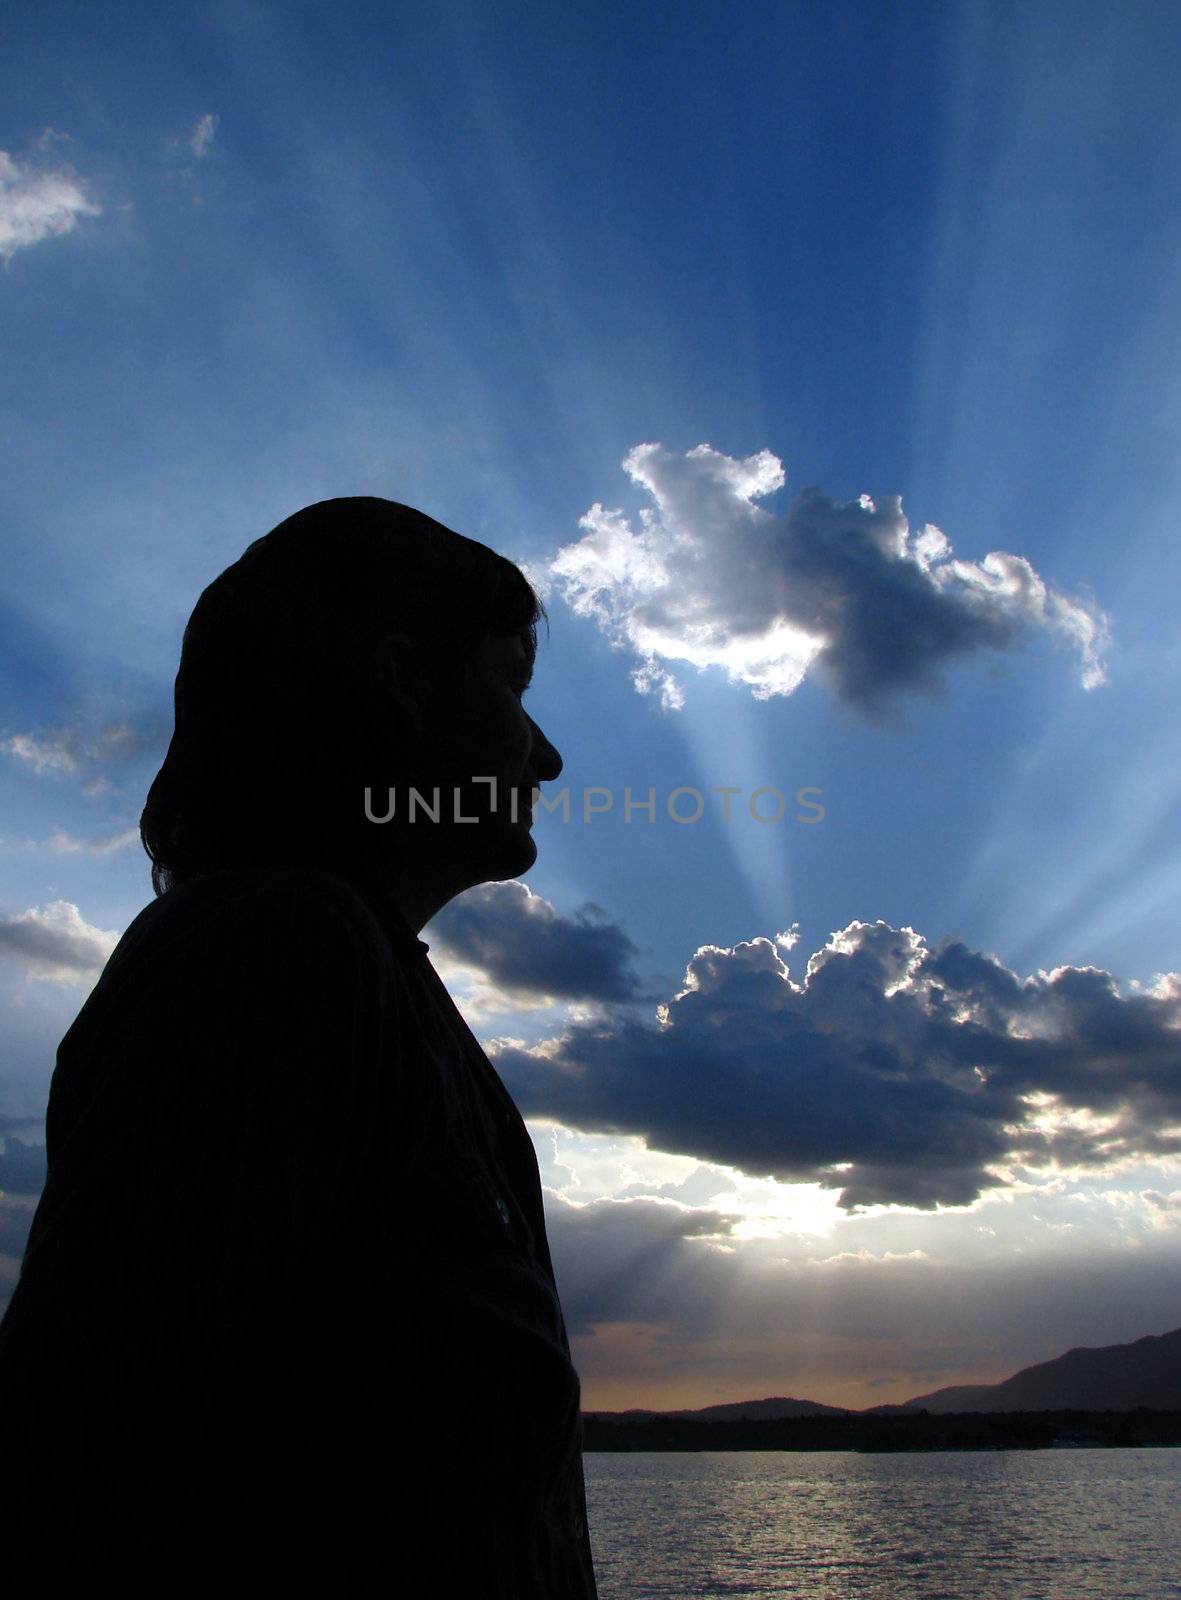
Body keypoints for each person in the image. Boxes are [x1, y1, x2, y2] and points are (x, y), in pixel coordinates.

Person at [0, 498, 598, 1594]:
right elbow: (90, 1454)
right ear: (399, 678)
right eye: (512, 680)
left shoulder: (354, 969)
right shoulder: (276, 951)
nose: (547, 755)